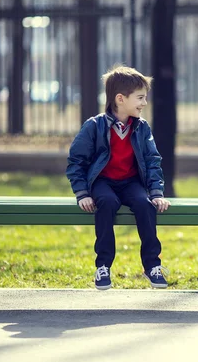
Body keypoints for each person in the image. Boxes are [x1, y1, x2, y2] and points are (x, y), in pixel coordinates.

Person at [66, 64, 171, 290]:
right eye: (140, 98)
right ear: (120, 99)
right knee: (107, 202)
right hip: (103, 183)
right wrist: (82, 193)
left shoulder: (142, 127)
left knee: (145, 206)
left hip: (131, 183)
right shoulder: (95, 126)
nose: (144, 103)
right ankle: (103, 267)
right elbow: (76, 161)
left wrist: (156, 193)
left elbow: (153, 160)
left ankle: (152, 266)